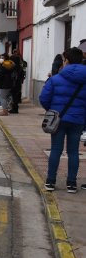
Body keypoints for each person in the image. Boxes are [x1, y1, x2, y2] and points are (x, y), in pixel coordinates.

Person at [40, 47, 86, 193]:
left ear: (66, 60)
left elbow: (44, 98)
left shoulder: (55, 79)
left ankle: (50, 182)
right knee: (73, 152)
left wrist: (52, 110)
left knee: (56, 150)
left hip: (58, 118)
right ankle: (72, 184)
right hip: (78, 120)